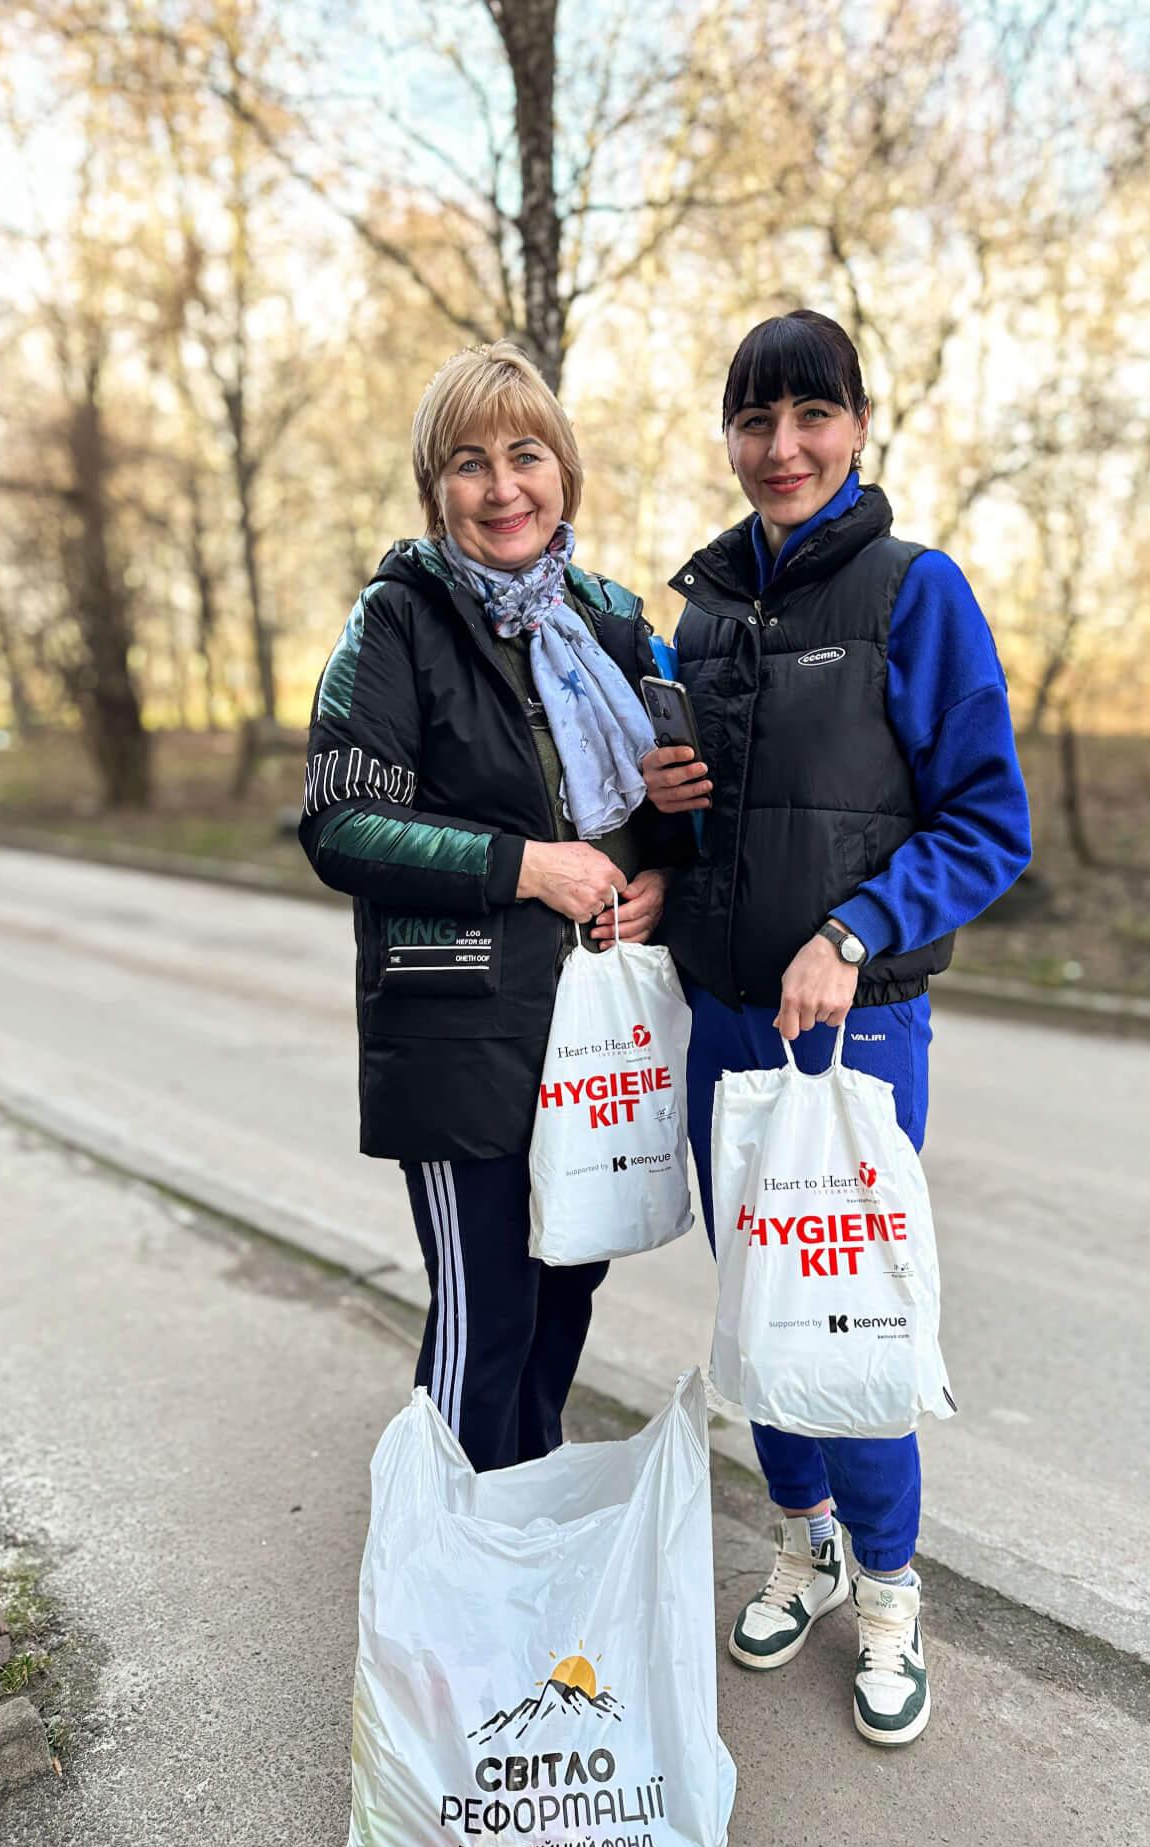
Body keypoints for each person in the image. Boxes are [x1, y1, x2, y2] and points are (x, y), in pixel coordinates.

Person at [644, 309, 1032, 1747]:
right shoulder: (698, 615)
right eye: (755, 421)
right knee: (759, 1310)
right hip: (723, 1020)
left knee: (848, 1319)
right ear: (730, 437)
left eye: (810, 416)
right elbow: (692, 831)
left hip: (856, 1032)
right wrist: (657, 834)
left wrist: (851, 931)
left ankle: (888, 1590)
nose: (781, 447)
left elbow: (990, 822)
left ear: (857, 426)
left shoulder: (914, 595)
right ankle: (801, 1546)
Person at [300, 341, 678, 1474]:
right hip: (458, 1023)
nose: (503, 486)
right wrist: (525, 865)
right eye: (469, 463)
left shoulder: (613, 622)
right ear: (436, 489)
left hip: (589, 1026)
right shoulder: (397, 621)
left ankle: (519, 1522)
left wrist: (661, 876)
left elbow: (666, 798)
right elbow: (341, 822)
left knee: (567, 1288)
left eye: (526, 454)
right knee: (487, 1309)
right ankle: (447, 1572)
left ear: (563, 470)